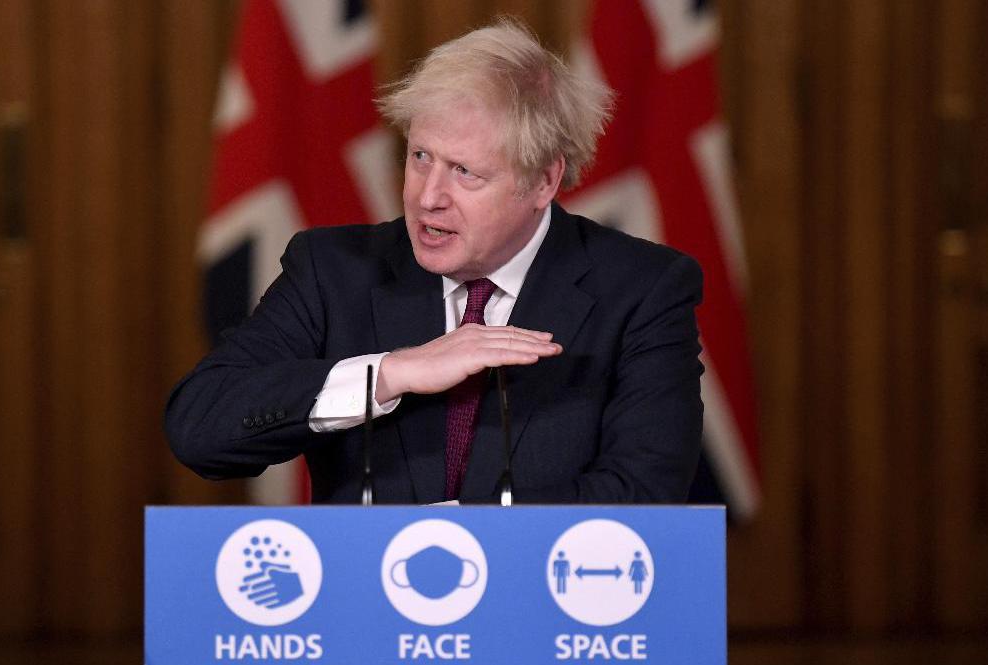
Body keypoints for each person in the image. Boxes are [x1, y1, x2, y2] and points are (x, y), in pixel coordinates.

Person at [165, 19, 704, 504]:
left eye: (465, 172)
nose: (428, 197)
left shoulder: (642, 290)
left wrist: (453, 542)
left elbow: (644, 492)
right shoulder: (334, 272)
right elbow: (200, 428)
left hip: (542, 606)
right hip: (362, 606)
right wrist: (388, 373)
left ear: (544, 180)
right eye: (420, 157)